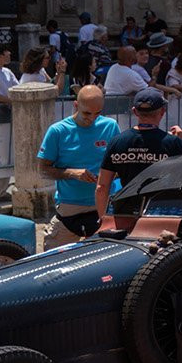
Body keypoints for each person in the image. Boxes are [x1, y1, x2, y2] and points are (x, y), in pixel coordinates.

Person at [38, 84, 121, 244]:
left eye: (98, 113)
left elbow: (119, 164)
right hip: (70, 206)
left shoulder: (110, 126)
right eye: (87, 113)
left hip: (105, 204)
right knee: (53, 259)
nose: (92, 118)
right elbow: (43, 170)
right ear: (76, 105)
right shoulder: (57, 131)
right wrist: (72, 173)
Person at [95, 86, 182, 222]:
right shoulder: (173, 143)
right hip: (160, 213)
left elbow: (101, 187)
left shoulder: (117, 142)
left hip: (125, 211)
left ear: (135, 112)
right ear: (162, 112)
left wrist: (103, 220)